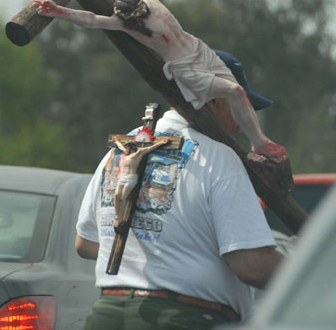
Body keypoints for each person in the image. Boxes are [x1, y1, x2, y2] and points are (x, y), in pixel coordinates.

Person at [34, 0, 286, 163]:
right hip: (186, 68)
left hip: (198, 49)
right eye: (141, 14)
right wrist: (58, 11)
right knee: (233, 90)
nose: (146, 12)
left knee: (239, 90)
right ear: (133, 18)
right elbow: (90, 19)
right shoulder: (126, 25)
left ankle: (259, 139)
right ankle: (259, 143)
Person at [75, 50, 284, 330]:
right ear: (214, 102)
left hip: (106, 316)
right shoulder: (219, 158)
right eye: (240, 106)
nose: (242, 124)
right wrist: (311, 273)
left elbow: (87, 243)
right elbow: (250, 264)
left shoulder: (121, 150)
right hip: (181, 319)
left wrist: (158, 244)